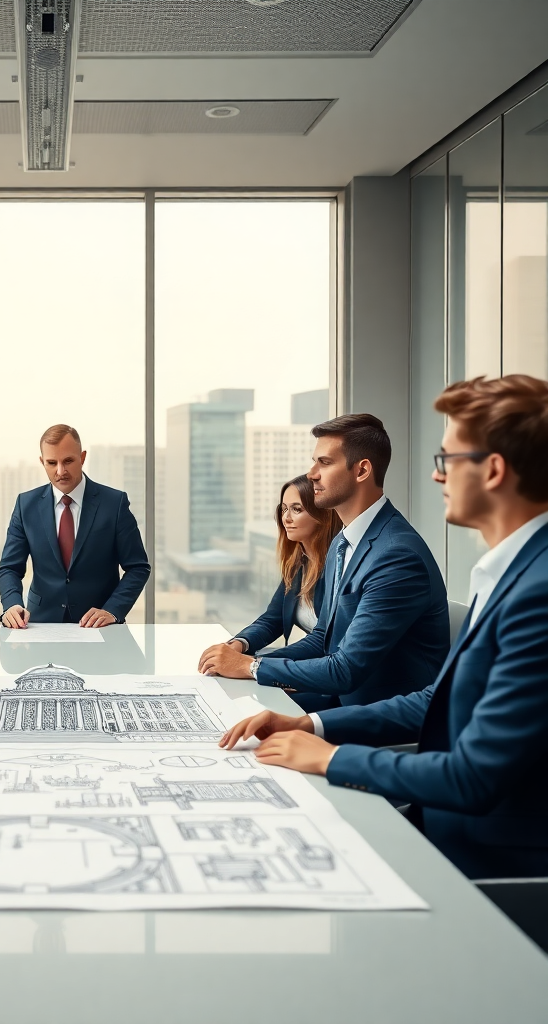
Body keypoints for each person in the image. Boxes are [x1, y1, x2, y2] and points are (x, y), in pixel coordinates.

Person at [220, 375, 548, 880]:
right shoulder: (507, 571)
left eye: (447, 461)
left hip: (482, 855)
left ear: (494, 470)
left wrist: (330, 758)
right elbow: (433, 699)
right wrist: (309, 727)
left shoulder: (533, 591)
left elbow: (473, 778)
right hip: (438, 812)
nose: (438, 477)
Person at [200, 413, 449, 711]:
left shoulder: (397, 555)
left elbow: (345, 670)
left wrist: (251, 667)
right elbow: (323, 639)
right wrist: (241, 662)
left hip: (383, 716)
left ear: (361, 470)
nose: (312, 473)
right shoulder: (343, 543)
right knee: (226, 708)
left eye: (324, 463)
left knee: (244, 725)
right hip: (344, 699)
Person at [0, 424, 150, 628]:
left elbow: (138, 567)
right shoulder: (26, 505)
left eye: (68, 461)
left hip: (100, 626)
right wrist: (12, 605)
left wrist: (113, 609)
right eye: (52, 463)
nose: (61, 471)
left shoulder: (114, 504)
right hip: (39, 624)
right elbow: (9, 568)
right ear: (42, 462)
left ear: (82, 457)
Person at [198, 474, 340, 674]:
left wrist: (249, 664)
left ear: (322, 516)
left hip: (328, 675)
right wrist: (239, 644)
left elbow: (321, 640)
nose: (286, 518)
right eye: (283, 509)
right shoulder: (299, 564)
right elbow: (273, 619)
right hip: (309, 668)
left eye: (297, 509)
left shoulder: (339, 567)